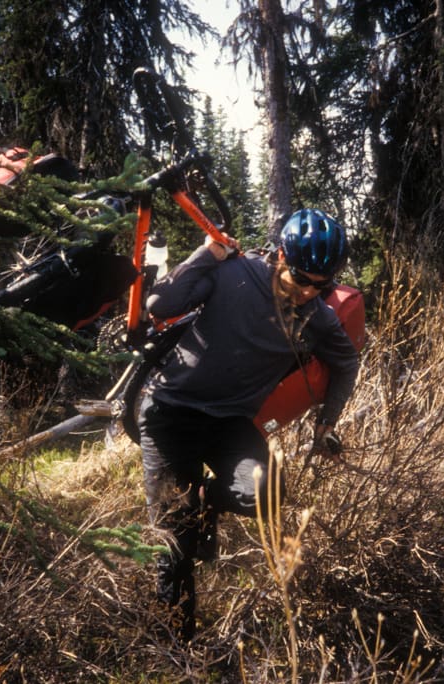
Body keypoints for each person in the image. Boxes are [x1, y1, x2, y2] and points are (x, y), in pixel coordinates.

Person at [138, 208, 360, 641]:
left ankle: (203, 499)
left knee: (266, 492)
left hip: (231, 423)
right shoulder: (232, 273)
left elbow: (347, 361)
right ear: (281, 255)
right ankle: (175, 650)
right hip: (170, 413)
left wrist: (326, 423)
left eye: (323, 284)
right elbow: (159, 305)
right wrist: (206, 255)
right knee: (174, 542)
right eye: (302, 277)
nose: (309, 291)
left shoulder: (316, 315)